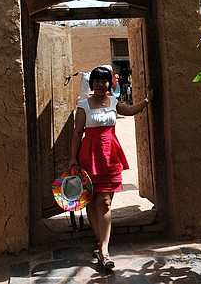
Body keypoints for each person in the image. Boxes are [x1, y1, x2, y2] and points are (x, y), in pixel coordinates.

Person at [67, 66, 152, 269]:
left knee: (104, 203)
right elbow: (78, 132)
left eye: (104, 81)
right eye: (96, 81)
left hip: (110, 155)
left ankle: (103, 249)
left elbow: (130, 111)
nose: (100, 84)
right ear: (92, 83)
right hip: (89, 155)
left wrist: (148, 100)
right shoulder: (83, 106)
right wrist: (72, 158)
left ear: (109, 84)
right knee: (90, 201)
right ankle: (102, 245)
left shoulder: (113, 102)